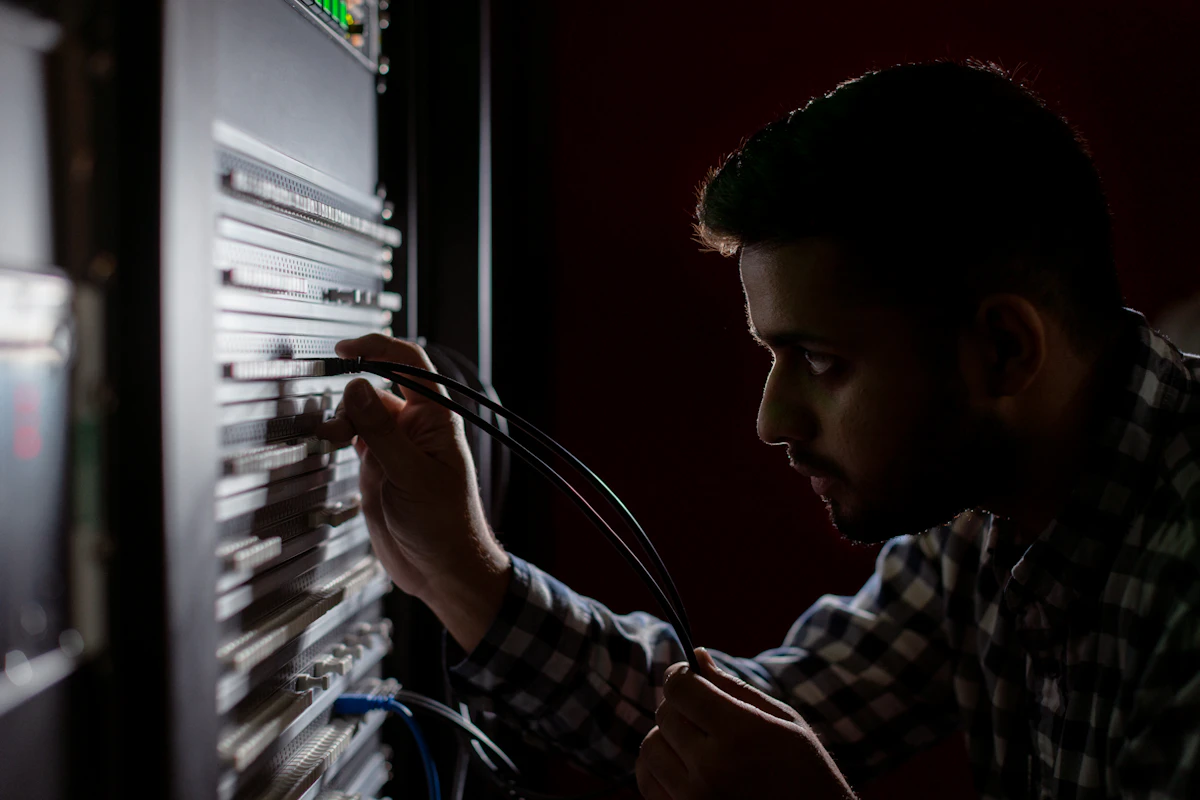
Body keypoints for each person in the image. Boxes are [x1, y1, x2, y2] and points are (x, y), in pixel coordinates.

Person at [318, 60, 1200, 799]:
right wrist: (463, 571)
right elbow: (753, 716)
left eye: (819, 361)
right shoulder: (985, 515)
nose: (771, 421)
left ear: (1005, 350)